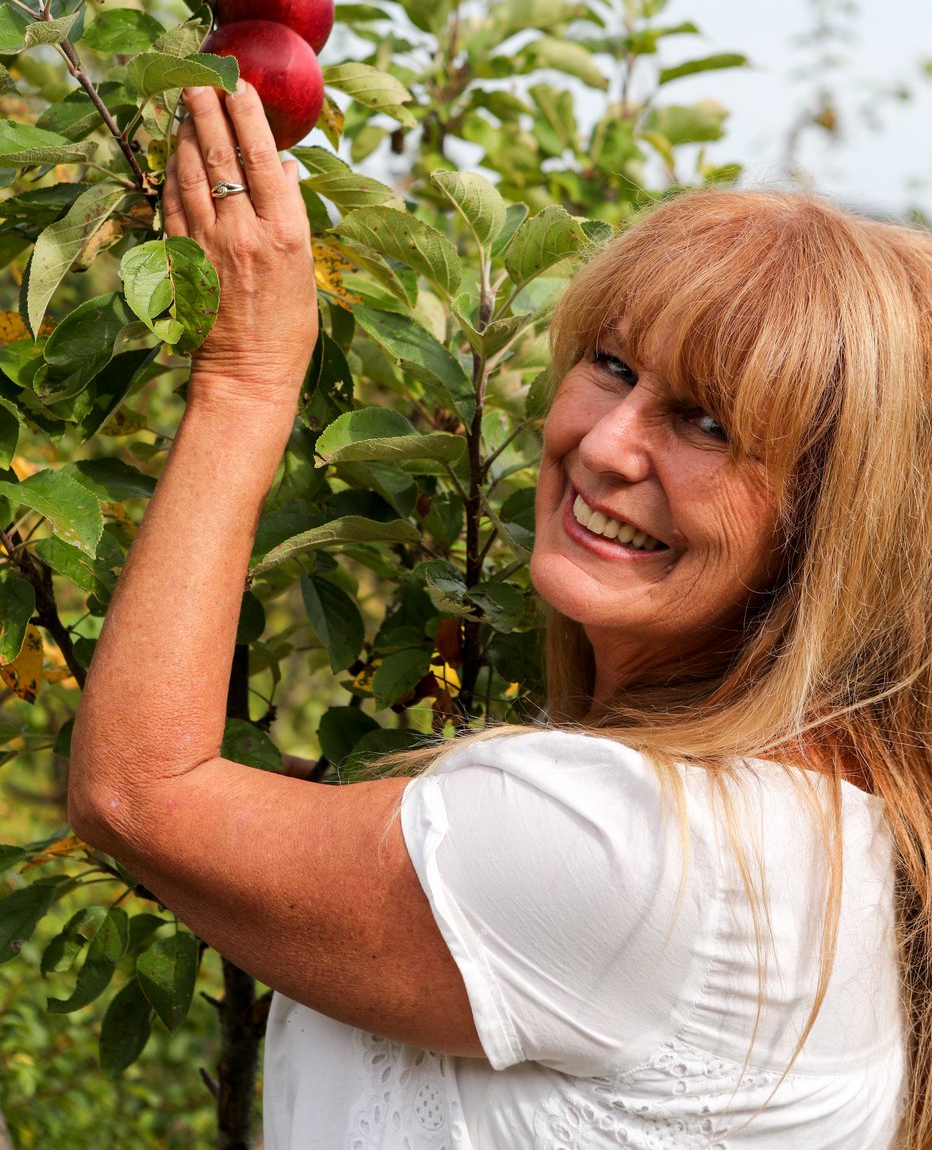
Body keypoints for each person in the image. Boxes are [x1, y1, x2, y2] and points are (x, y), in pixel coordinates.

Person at [68, 81, 932, 1149]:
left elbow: (135, 791)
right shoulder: (812, 827)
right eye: (609, 364)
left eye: (702, 422)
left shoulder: (637, 848)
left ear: (826, 526)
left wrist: (247, 374)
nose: (608, 442)